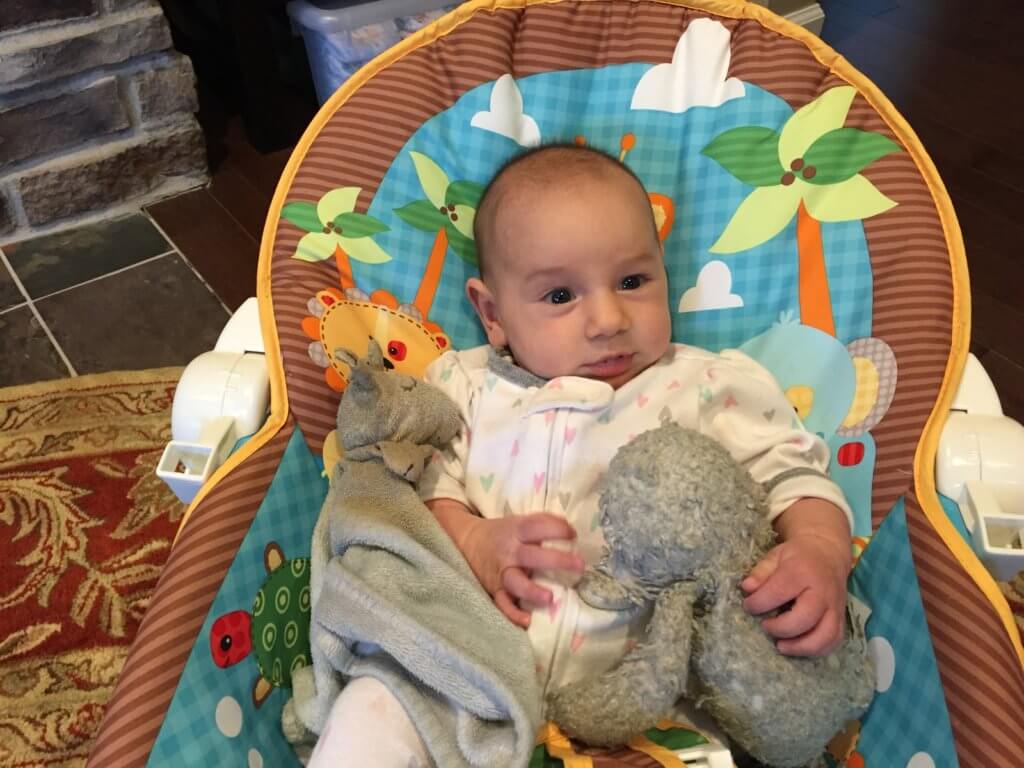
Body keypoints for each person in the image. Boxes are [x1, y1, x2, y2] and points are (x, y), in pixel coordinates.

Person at [309, 144, 854, 767]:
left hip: (651, 701)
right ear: (493, 314)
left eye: (633, 281)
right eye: (561, 295)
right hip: (468, 668)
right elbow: (418, 493)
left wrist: (821, 549)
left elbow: (792, 473)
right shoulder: (466, 388)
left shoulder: (706, 387)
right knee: (374, 708)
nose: (608, 319)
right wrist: (475, 541)